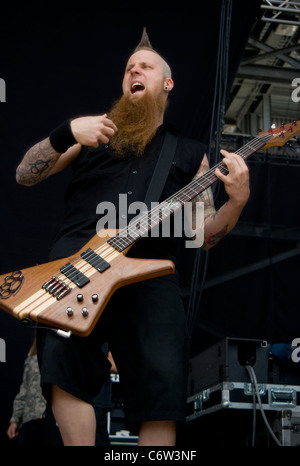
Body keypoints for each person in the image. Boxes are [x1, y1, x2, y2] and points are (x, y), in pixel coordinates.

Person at [15, 29, 250, 446]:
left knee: (161, 393)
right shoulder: (93, 134)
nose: (134, 71)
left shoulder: (189, 152)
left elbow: (203, 235)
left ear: (167, 83)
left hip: (151, 275)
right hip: (75, 269)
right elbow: (24, 174)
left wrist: (236, 202)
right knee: (64, 372)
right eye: (128, 68)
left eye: (145, 66)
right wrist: (66, 131)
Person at [6, 336, 62, 446]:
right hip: (30, 417)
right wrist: (15, 420)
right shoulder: (32, 355)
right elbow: (24, 388)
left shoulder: (62, 353)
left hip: (53, 419)